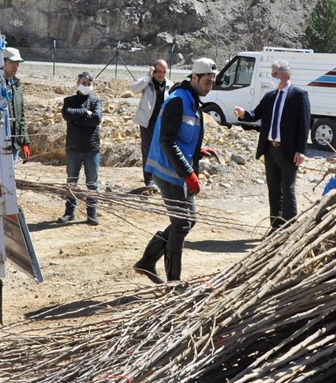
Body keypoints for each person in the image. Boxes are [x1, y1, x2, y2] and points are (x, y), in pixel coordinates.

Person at [132, 58, 217, 283]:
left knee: (189, 221)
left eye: (212, 82)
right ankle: (174, 282)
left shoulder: (192, 99)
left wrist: (198, 151)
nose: (210, 86)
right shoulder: (178, 100)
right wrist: (188, 173)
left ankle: (147, 262)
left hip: (180, 170)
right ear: (195, 77)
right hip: (169, 172)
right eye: (207, 81)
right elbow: (166, 141)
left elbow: (182, 136)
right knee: (181, 224)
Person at [234, 60, 311, 232]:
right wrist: (243, 114)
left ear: (286, 75)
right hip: (270, 149)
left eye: (275, 73)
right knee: (274, 190)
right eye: (272, 73)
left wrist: (301, 151)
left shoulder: (299, 95)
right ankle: (275, 227)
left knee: (287, 190)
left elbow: (305, 125)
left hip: (288, 152)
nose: (272, 76)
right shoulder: (269, 97)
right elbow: (256, 114)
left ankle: (290, 228)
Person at [57, 72, 103, 226]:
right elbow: (66, 114)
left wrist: (76, 121)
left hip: (92, 148)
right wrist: (84, 112)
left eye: (89, 83)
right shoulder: (69, 100)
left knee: (92, 183)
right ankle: (69, 213)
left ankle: (92, 214)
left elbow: (96, 119)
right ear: (77, 82)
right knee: (71, 181)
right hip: (74, 147)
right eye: (84, 82)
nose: (86, 85)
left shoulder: (96, 100)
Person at [131, 59, 174, 190]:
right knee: (148, 151)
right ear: (153, 71)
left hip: (162, 123)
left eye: (164, 72)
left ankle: (160, 179)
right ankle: (149, 181)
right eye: (158, 72)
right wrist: (147, 77)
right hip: (147, 123)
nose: (161, 75)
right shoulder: (147, 82)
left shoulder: (169, 85)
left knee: (162, 151)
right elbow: (134, 89)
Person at [3, 47, 31, 163]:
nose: (15, 66)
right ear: (3, 62)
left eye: (17, 63)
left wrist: (24, 142)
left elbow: (21, 116)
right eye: (11, 62)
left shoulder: (17, 86)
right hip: (1, 143)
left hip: (14, 144)